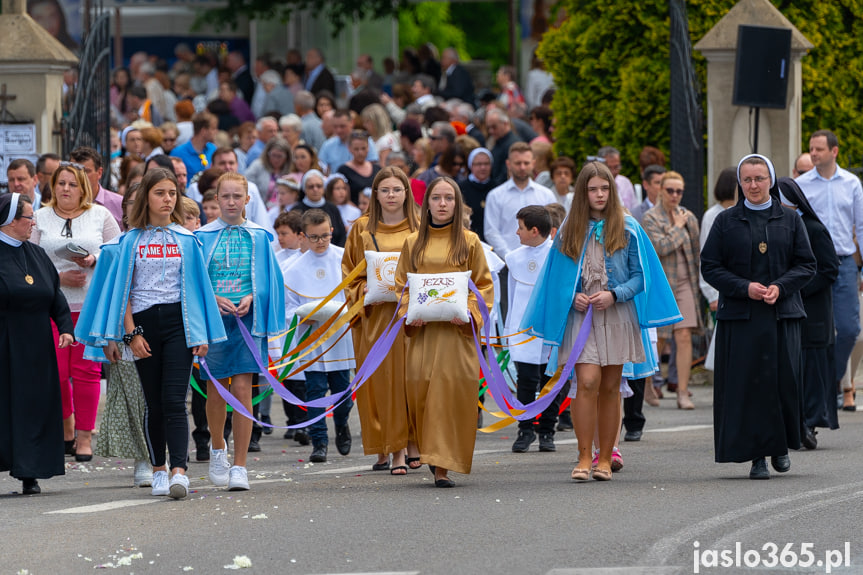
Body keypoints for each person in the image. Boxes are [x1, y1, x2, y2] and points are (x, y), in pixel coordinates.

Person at [522, 161, 680, 482]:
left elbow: (640, 277)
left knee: (610, 387)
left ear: (612, 191)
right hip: (581, 317)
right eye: (592, 189)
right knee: (588, 382)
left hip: (617, 314)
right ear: (583, 192)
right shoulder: (569, 228)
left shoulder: (629, 227)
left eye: (604, 188)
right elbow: (556, 278)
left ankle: (605, 459)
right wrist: (573, 297)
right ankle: (583, 456)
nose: (599, 194)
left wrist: (616, 294)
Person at [75, 168, 227, 498]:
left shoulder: (188, 240)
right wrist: (129, 335)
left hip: (179, 325)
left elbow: (198, 289)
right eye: (160, 193)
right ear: (147, 197)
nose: (167, 199)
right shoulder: (128, 241)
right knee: (153, 403)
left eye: (172, 193)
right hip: (142, 325)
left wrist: (200, 333)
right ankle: (158, 469)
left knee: (175, 400)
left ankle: (178, 471)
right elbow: (122, 291)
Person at [701, 154, 816, 479]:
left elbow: (807, 264)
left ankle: (780, 446)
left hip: (782, 314)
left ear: (771, 180)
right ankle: (756, 457)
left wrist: (781, 287)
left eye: (760, 179)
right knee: (748, 386)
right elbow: (710, 266)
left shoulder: (790, 219)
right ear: (740, 182)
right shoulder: (726, 221)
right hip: (742, 316)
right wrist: (743, 288)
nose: (754, 185)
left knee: (782, 384)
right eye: (748, 179)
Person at [394, 177, 494, 487]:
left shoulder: (471, 241)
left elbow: (484, 286)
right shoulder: (412, 242)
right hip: (423, 336)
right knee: (424, 394)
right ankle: (431, 453)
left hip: (457, 336)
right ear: (427, 205)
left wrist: (469, 315)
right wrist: (410, 312)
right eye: (436, 198)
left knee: (451, 397)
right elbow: (402, 286)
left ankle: (443, 467)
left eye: (448, 198)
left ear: (457, 203)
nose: (441, 204)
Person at [196, 173, 285, 491]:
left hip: (248, 321)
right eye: (225, 196)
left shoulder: (261, 236)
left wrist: (252, 297)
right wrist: (212, 299)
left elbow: (271, 280)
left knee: (243, 390)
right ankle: (218, 447)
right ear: (216, 200)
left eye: (237, 196)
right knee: (216, 389)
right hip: (216, 320)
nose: (231, 202)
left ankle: (240, 465)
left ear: (248, 200)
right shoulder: (201, 237)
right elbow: (195, 281)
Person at [31, 161, 121, 462]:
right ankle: (66, 424)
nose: (66, 189)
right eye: (61, 183)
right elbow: (28, 263)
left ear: (83, 187)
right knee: (55, 372)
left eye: (72, 184)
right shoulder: (40, 217)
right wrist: (58, 278)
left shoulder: (100, 215)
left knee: (86, 372)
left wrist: (94, 258)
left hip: (89, 306)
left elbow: (118, 254)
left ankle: (84, 437)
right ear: (52, 186)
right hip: (51, 307)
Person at [342, 167, 420, 474]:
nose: (391, 195)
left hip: (413, 318)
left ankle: (415, 442)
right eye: (385, 190)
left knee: (412, 381)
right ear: (375, 194)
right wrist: (368, 290)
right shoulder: (361, 228)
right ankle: (395, 449)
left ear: (406, 193)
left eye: (397, 190)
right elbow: (349, 274)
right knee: (385, 383)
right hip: (377, 318)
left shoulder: (419, 227)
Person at [1, 193, 74, 495]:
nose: (33, 223)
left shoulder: (37, 254)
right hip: (5, 344)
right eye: (29, 217)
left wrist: (66, 327)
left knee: (34, 408)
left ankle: (29, 472)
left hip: (38, 346)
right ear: (9, 222)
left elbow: (55, 294)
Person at [796, 130, 863, 412]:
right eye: (811, 149)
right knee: (812, 331)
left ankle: (829, 381)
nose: (813, 153)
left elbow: (861, 227)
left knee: (849, 329)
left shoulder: (852, 183)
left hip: (844, 262)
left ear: (833, 152)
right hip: (811, 265)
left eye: (819, 149)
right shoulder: (801, 184)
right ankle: (815, 388)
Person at [283, 209, 356, 462]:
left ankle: (342, 422)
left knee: (343, 392)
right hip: (312, 337)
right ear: (303, 236)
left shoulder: (344, 258)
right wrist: (303, 316)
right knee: (314, 392)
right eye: (314, 237)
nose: (320, 242)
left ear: (332, 231)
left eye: (325, 235)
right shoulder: (293, 269)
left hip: (340, 337)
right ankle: (319, 441)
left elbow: (355, 295)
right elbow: (288, 307)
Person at [777, 177, 839, 449]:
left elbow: (829, 269)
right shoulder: (780, 227)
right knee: (793, 371)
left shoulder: (813, 228)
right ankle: (795, 423)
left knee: (812, 373)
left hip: (812, 312)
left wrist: (796, 289)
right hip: (788, 311)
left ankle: (808, 424)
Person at [642, 171, 701, 410]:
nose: (675, 195)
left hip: (685, 283)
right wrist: (677, 228)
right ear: (660, 190)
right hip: (661, 284)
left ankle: (682, 391)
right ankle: (646, 383)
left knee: (684, 336)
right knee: (659, 338)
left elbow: (697, 252)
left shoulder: (689, 217)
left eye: (679, 191)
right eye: (670, 190)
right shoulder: (650, 218)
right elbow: (660, 247)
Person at [506, 206, 557, 453]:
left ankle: (547, 430)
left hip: (549, 329)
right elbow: (512, 296)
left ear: (534, 231)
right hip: (523, 330)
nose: (517, 232)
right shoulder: (515, 257)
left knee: (549, 381)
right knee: (525, 381)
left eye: (521, 227)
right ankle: (525, 429)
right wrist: (509, 330)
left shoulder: (559, 254)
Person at [291, 169, 347, 247]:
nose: (315, 189)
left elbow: (341, 235)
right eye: (311, 187)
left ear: (323, 188)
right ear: (304, 189)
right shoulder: (296, 210)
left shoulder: (332, 208)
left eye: (319, 186)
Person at [245, 137, 293, 209]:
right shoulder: (258, 166)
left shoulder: (291, 170)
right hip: (259, 208)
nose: (276, 159)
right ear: (267, 154)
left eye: (280, 156)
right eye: (273, 155)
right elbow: (246, 184)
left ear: (287, 157)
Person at [337, 130, 382, 206]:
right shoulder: (343, 171)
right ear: (350, 149)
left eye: (363, 148)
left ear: (368, 148)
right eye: (356, 149)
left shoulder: (377, 169)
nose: (360, 152)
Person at [458, 147, 494, 241]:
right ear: (471, 166)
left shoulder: (497, 188)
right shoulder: (461, 188)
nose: (483, 167)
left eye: (486, 164)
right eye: (478, 164)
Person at [170, 112, 218, 180]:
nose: (216, 132)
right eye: (213, 128)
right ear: (203, 131)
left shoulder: (213, 149)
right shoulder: (178, 153)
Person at [598, 146, 638, 211]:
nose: (613, 172)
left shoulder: (625, 182)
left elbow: (634, 208)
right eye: (609, 167)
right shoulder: (594, 184)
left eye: (616, 167)